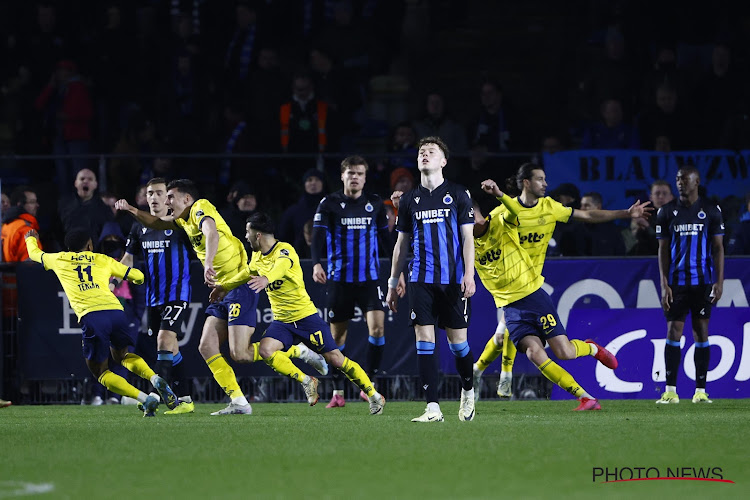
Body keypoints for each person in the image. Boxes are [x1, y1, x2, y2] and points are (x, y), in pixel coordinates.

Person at [115, 179, 327, 415]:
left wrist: (207, 263)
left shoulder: (200, 207)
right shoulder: (182, 219)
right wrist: (133, 210)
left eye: (170, 197)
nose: (166, 202)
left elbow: (211, 232)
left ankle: (298, 351)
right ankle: (239, 401)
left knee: (241, 354)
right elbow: (155, 221)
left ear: (186, 199)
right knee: (206, 346)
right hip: (224, 288)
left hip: (240, 283)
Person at [469, 163, 651, 399]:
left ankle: (500, 374)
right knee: (509, 338)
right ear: (526, 182)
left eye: (546, 179)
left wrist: (626, 213)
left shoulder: (547, 208)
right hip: (511, 288)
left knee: (530, 342)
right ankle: (502, 376)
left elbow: (587, 215)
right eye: (540, 179)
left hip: (530, 285)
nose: (546, 184)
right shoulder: (500, 215)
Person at [209, 212, 386, 415]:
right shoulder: (257, 257)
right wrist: (224, 286)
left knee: (336, 359)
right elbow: (247, 273)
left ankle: (374, 395)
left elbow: (280, 268)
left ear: (258, 235)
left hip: (306, 319)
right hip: (282, 322)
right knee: (266, 350)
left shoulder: (285, 250)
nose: (245, 236)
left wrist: (266, 279)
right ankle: (306, 380)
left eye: (247, 232)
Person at [23, 228, 178, 417]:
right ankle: (155, 378)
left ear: (69, 247)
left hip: (92, 316)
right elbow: (138, 277)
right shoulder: (102, 260)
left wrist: (31, 239)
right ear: (89, 245)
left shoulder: (59, 259)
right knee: (123, 356)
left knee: (101, 372)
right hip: (116, 312)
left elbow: (35, 254)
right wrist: (116, 278)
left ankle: (145, 399)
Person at [386, 136, 476, 423]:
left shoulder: (459, 194)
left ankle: (467, 390)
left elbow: (468, 239)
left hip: (452, 280)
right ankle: (433, 407)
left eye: (431, 152)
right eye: (421, 152)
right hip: (419, 278)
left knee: (457, 344)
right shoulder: (410, 199)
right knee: (424, 339)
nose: (424, 155)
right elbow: (401, 245)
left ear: (443, 161)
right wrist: (392, 281)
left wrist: (470, 274)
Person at [312, 155, 391, 407]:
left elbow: (386, 241)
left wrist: (395, 275)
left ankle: (369, 385)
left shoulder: (376, 203)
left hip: (370, 279)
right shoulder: (329, 203)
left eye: (359, 173)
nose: (355, 177)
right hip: (339, 280)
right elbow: (317, 236)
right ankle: (338, 392)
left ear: (365, 178)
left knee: (378, 330)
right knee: (337, 338)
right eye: (351, 173)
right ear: (342, 176)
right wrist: (316, 263)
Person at [121, 178, 195, 414]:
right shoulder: (138, 227)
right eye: (149, 193)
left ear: (168, 198)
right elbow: (128, 259)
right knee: (170, 349)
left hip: (177, 294)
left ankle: (155, 394)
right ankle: (185, 400)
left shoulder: (179, 224)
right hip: (153, 298)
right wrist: (113, 278)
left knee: (164, 340)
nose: (153, 198)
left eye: (159, 193)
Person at [655, 166, 724, 404]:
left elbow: (718, 248)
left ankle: (700, 391)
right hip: (676, 283)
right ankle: (670, 391)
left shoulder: (711, 210)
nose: (680, 182)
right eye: (678, 179)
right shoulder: (666, 212)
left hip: (702, 282)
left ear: (697, 181)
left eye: (685, 179)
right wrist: (664, 283)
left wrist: (719, 281)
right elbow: (662, 250)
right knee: (673, 331)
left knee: (701, 333)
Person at [2, 186, 41, 262]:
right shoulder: (26, 230)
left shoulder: (6, 225)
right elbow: (30, 265)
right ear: (20, 205)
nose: (37, 205)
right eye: (32, 202)